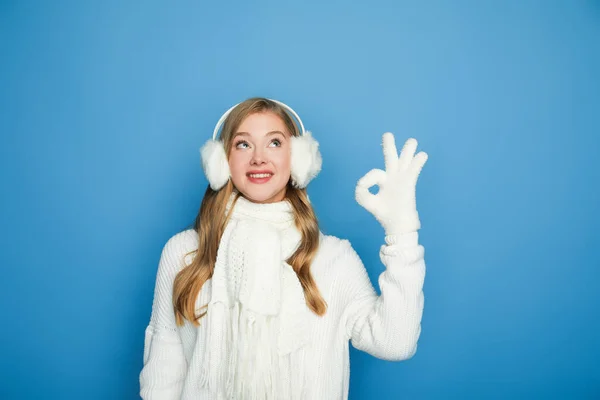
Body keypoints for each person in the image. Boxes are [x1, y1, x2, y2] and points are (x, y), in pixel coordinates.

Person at [139, 97, 428, 400]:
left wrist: (402, 232)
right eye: (243, 144)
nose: (259, 158)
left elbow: (396, 343)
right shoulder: (185, 251)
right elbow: (164, 371)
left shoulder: (334, 258)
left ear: (299, 159)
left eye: (275, 143)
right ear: (221, 162)